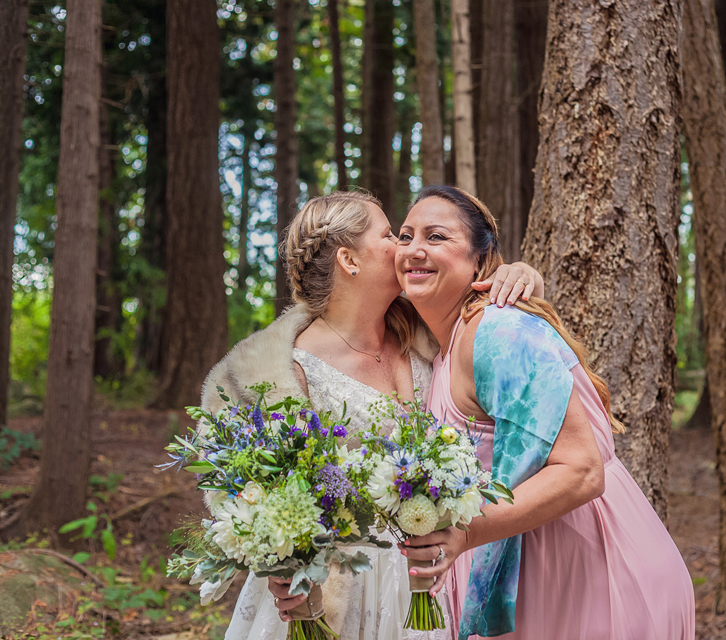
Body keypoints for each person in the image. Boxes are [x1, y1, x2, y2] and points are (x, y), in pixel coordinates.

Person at [199, 190, 544, 640]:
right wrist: (280, 563)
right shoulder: (290, 373)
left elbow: (480, 306)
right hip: (337, 588)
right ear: (349, 260)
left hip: (430, 574)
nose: (404, 247)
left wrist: (521, 274)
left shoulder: (424, 330)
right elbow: (259, 498)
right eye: (390, 235)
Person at [394, 186, 696, 640]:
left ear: (479, 261)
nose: (414, 249)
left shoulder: (498, 333)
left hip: (592, 577)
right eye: (405, 236)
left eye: (436, 236)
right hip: (541, 573)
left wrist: (465, 534)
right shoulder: (444, 344)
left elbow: (582, 471)